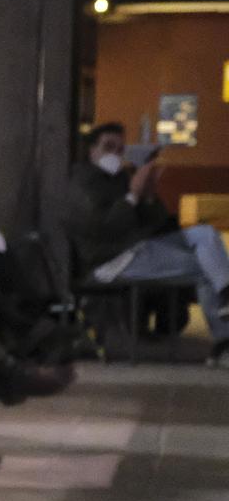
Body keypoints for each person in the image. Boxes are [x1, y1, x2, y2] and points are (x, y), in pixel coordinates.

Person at [66, 122, 229, 365]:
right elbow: (103, 229)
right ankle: (224, 344)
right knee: (206, 270)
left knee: (204, 233)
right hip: (111, 261)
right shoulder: (81, 182)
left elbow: (158, 223)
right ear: (92, 151)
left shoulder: (119, 177)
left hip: (137, 247)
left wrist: (150, 194)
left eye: (120, 150)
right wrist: (132, 195)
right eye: (108, 147)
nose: (115, 154)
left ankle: (226, 293)